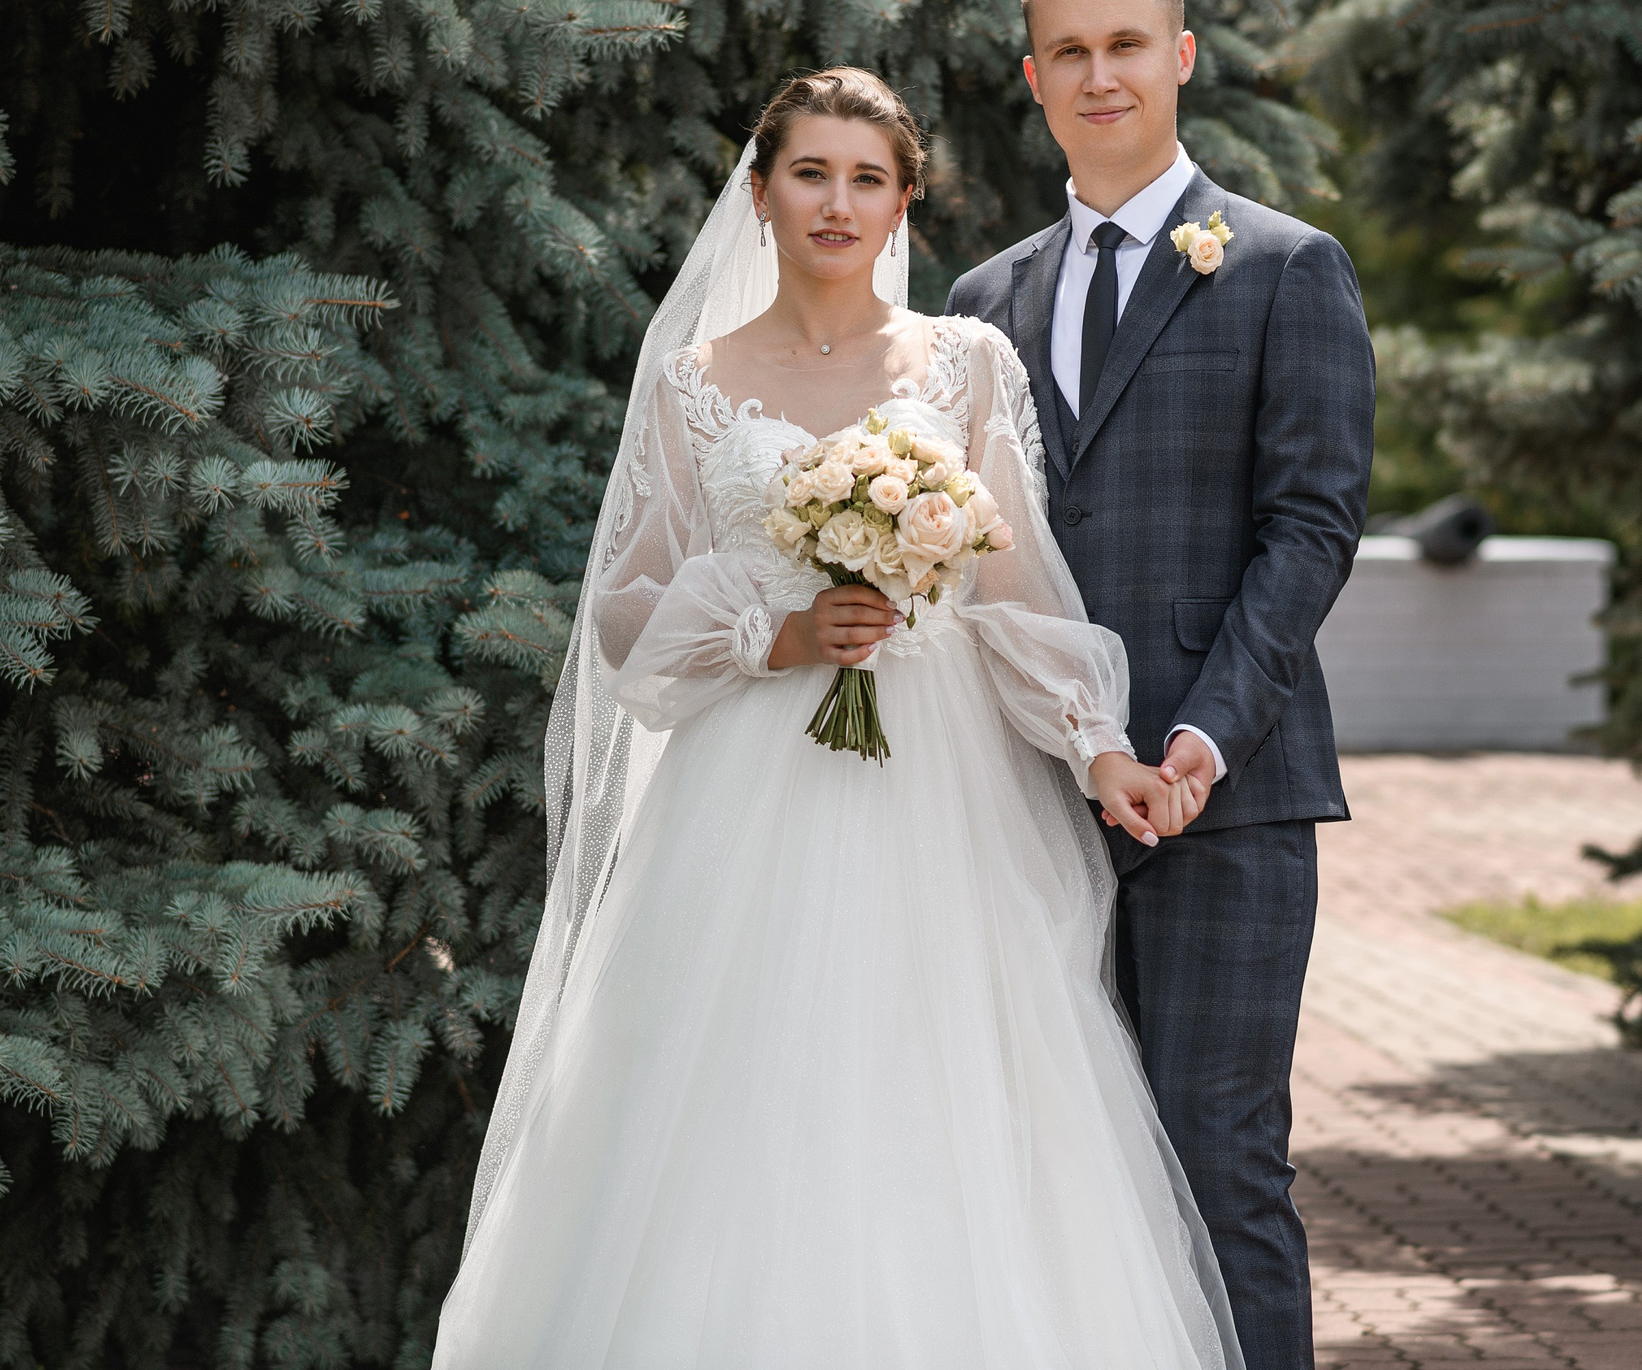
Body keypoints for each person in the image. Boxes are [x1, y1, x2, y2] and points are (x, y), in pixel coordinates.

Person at [436, 67, 1242, 1368]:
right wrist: (774, 633)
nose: (837, 201)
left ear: (905, 199)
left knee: (934, 1099)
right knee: (733, 1104)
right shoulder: (693, 381)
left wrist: (1100, 748)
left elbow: (1018, 595)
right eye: (810, 172)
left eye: (868, 177)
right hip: (743, 794)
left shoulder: (965, 365)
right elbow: (628, 612)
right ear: (760, 192)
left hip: (939, 800)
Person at [947, 0, 1376, 1370]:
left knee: (1219, 1162)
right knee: (1045, 1174)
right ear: (1033, 80)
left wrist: (1197, 740)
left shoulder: (1283, 267)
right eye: (1068, 52)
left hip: (1225, 799)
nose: (1100, 74)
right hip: (1026, 805)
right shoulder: (980, 305)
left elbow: (1310, 530)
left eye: (1125, 44)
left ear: (1179, 57)